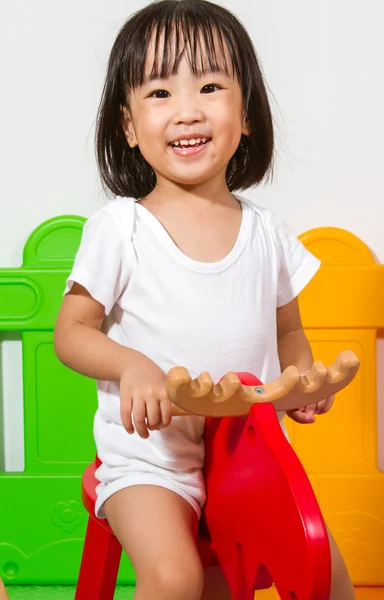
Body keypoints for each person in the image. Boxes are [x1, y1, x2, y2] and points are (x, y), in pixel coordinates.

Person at [54, 1, 355, 598]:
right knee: (176, 577)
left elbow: (288, 332)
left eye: (211, 85)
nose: (188, 110)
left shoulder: (266, 232)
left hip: (246, 456)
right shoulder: (121, 229)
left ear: (246, 115)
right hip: (151, 458)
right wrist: (133, 366)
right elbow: (73, 332)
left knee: (324, 569)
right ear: (129, 126)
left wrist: (298, 381)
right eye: (160, 92)